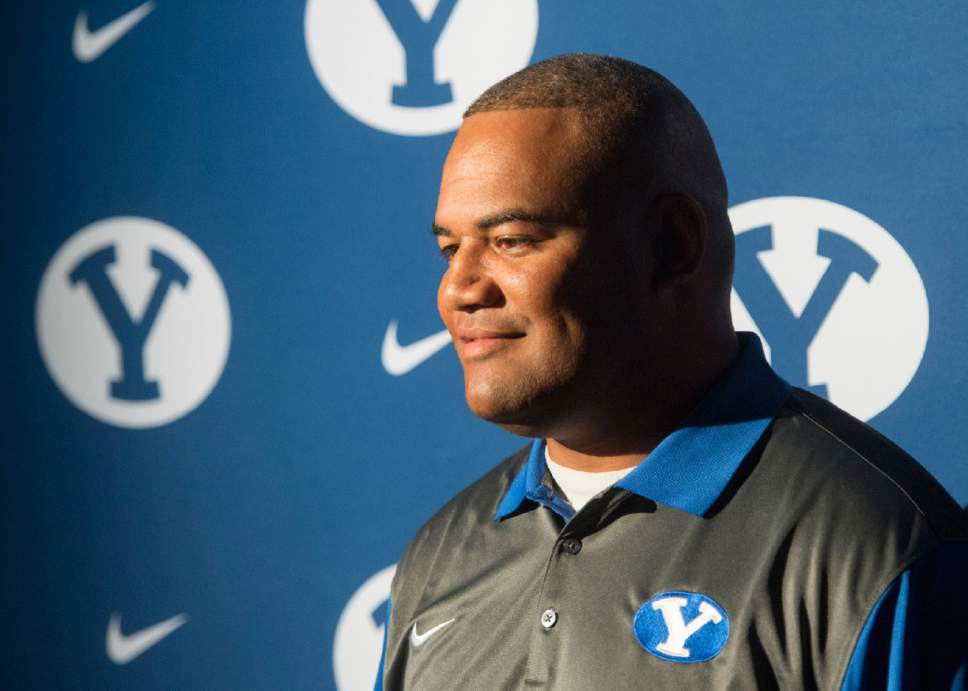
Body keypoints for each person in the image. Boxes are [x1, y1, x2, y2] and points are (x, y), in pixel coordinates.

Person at [376, 54, 968, 689]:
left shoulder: (875, 544)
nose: (458, 289)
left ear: (671, 245)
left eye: (512, 240)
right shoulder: (440, 555)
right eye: (449, 248)